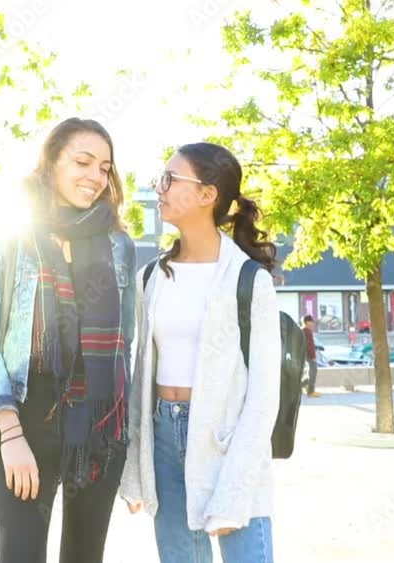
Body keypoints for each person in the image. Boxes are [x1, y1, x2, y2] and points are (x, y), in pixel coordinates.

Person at [0, 117, 136, 563]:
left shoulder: (118, 245)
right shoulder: (10, 236)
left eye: (105, 168)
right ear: (52, 161)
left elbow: (127, 343)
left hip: (99, 426)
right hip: (27, 418)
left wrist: (127, 441)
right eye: (83, 162)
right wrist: (10, 432)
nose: (96, 176)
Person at [120, 142, 280, 563]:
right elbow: (141, 376)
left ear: (208, 194)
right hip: (163, 438)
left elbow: (263, 397)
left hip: (230, 440)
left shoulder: (249, 280)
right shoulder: (151, 276)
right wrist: (135, 465)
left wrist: (233, 491)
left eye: (170, 179)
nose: (160, 188)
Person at [302, 315, 320, 397]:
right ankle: (310, 391)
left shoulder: (303, 331)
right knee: (313, 371)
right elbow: (309, 345)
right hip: (309, 355)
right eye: (311, 321)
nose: (312, 323)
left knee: (311, 371)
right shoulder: (307, 331)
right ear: (307, 322)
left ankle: (301, 386)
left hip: (305, 354)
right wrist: (313, 356)